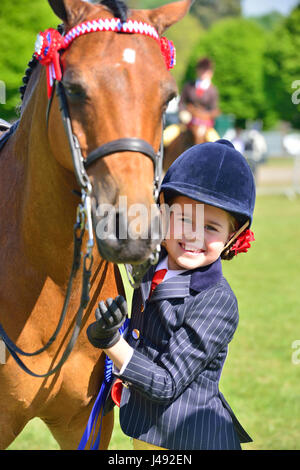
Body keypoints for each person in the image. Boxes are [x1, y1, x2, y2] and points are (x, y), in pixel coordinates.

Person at [87, 139, 256, 450]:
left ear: (233, 237)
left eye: (211, 227)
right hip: (149, 434)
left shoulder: (217, 301)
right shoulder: (154, 264)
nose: (193, 235)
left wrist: (111, 342)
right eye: (184, 219)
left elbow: (166, 383)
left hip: (189, 438)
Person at [179, 57, 220, 143]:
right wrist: (183, 112)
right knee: (167, 137)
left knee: (218, 143)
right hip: (187, 123)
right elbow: (182, 102)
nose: (203, 73)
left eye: (206, 71)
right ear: (197, 71)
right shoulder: (189, 86)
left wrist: (205, 117)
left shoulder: (213, 91)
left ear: (210, 73)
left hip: (205, 125)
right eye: (201, 70)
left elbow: (213, 109)